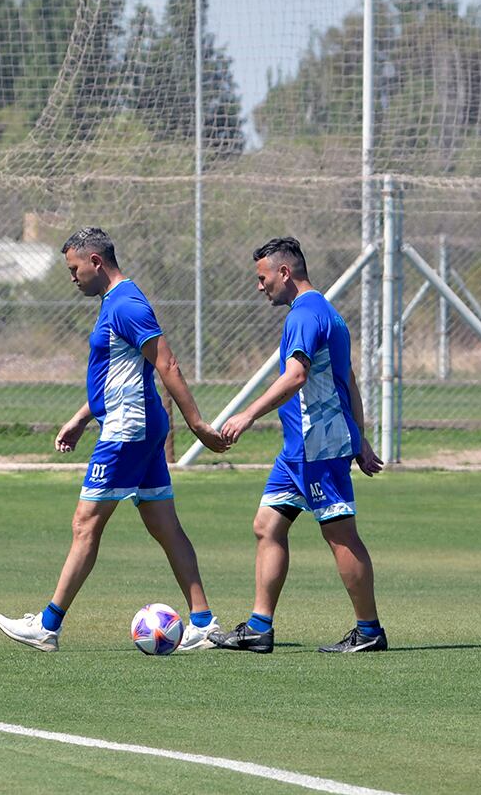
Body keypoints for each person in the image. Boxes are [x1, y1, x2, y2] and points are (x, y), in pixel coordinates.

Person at [0, 227, 228, 652]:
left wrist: (196, 423)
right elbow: (122, 374)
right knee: (163, 525)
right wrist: (83, 416)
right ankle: (203, 624)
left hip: (128, 432)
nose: (72, 277)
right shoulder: (115, 303)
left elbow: (166, 362)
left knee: (86, 523)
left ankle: (47, 626)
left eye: (74, 268)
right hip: (134, 424)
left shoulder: (127, 304)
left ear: (96, 262)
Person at [208, 236, 386, 654]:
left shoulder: (304, 315)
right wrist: (360, 436)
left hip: (318, 446)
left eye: (263, 277)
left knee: (341, 536)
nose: (259, 286)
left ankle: (369, 630)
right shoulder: (327, 313)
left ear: (284, 273)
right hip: (298, 451)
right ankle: (258, 627)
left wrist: (247, 415)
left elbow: (295, 377)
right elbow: (350, 380)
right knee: (266, 526)